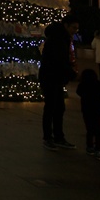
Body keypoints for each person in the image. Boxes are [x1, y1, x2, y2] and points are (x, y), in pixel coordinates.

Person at [38, 12, 79, 150]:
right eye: (73, 28)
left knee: (59, 107)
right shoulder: (57, 38)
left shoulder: (63, 37)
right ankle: (48, 138)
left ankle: (58, 137)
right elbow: (59, 60)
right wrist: (71, 74)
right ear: (66, 25)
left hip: (56, 77)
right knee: (51, 107)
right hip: (50, 77)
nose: (75, 31)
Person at [76, 68, 100, 160]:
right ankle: (98, 148)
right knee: (98, 130)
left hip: (86, 110)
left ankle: (89, 146)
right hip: (97, 110)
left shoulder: (82, 86)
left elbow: (79, 92)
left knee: (89, 129)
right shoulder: (97, 85)